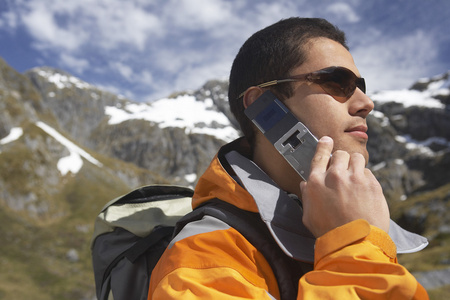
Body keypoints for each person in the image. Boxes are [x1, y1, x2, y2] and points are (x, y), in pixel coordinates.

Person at [148, 17, 429, 299]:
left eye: (360, 87)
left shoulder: (368, 228)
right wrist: (355, 247)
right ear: (262, 104)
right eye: (337, 81)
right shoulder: (200, 262)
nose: (366, 103)